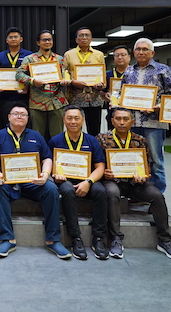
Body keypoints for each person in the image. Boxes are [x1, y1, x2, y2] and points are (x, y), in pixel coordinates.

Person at [0, 105, 71, 259]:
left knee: (51, 189)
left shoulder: (36, 135)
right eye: (16, 114)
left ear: (28, 118)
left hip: (33, 182)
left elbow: (47, 158)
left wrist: (45, 174)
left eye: (23, 114)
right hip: (8, 182)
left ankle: (53, 240)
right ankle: (7, 239)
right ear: (9, 117)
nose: (19, 116)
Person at [97, 108, 171, 260]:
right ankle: (115, 238)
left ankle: (164, 240)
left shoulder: (140, 140)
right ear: (112, 121)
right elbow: (96, 164)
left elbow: (146, 165)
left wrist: (143, 176)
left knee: (156, 195)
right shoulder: (102, 139)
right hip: (112, 181)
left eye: (125, 119)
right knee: (112, 193)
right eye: (118, 119)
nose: (122, 122)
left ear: (132, 122)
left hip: (134, 183)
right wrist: (104, 173)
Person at [48, 106, 108, 260]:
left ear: (83, 120)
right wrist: (55, 174)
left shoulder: (92, 140)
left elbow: (100, 167)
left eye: (76, 118)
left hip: (88, 179)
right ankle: (75, 238)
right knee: (68, 190)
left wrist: (88, 181)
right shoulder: (55, 141)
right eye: (69, 118)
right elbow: (49, 164)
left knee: (100, 191)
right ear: (64, 120)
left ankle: (99, 238)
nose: (73, 122)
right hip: (65, 180)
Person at [120, 37, 171, 193]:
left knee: (155, 161)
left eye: (145, 49)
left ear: (152, 53)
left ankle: (157, 196)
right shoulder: (128, 71)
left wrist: (157, 107)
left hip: (154, 123)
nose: (141, 52)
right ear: (134, 52)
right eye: (138, 49)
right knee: (134, 159)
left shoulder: (163, 69)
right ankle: (137, 194)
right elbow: (122, 93)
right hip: (132, 123)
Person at [16, 30, 71, 139]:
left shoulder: (59, 59)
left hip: (56, 102)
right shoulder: (30, 59)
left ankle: (55, 151)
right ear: (38, 42)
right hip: (37, 102)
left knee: (57, 136)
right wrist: (33, 81)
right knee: (37, 136)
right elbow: (18, 74)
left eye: (49, 39)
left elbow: (66, 74)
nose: (47, 42)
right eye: (44, 40)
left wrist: (65, 80)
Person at [63, 27, 107, 136]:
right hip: (75, 97)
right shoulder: (69, 54)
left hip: (95, 98)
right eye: (81, 35)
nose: (84, 37)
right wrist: (72, 81)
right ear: (76, 39)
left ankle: (93, 147)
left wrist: (101, 84)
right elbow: (64, 73)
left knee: (94, 131)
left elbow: (102, 74)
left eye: (87, 35)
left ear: (91, 39)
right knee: (74, 128)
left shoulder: (99, 54)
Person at [0, 27, 32, 126]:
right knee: (4, 124)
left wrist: (28, 87)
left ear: (21, 39)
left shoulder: (29, 55)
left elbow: (32, 75)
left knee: (23, 124)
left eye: (16, 37)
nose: (13, 39)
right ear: (7, 40)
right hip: (5, 97)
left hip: (24, 97)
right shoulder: (0, 56)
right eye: (10, 37)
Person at [105, 45, 131, 128]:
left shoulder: (135, 74)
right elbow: (103, 91)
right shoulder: (107, 75)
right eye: (117, 55)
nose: (120, 57)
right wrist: (104, 95)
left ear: (129, 57)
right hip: (113, 113)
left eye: (123, 55)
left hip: (131, 113)